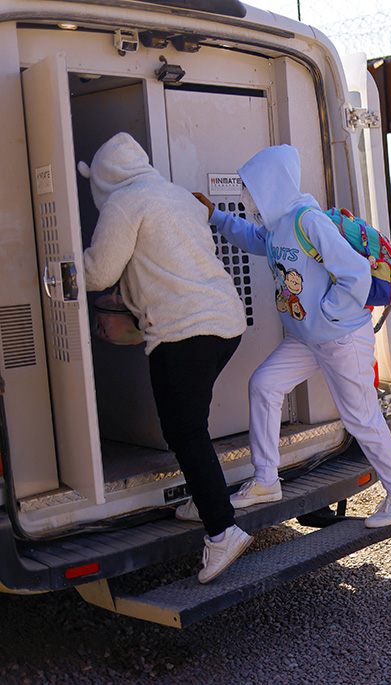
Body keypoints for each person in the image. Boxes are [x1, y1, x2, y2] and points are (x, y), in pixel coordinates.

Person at [196, 144, 391, 529]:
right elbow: (253, 239)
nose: (247, 195)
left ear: (271, 184)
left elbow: (355, 274)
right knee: (264, 385)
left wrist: (328, 313)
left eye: (251, 186)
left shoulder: (307, 220)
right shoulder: (277, 224)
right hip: (308, 338)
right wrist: (216, 216)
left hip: (341, 336)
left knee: (361, 417)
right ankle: (267, 479)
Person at [79, 132, 251, 584]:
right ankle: (205, 499)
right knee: (193, 421)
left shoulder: (125, 202)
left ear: (104, 179)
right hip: (226, 324)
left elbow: (98, 272)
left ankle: (222, 531)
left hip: (183, 334)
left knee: (185, 431)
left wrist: (63, 266)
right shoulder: (175, 195)